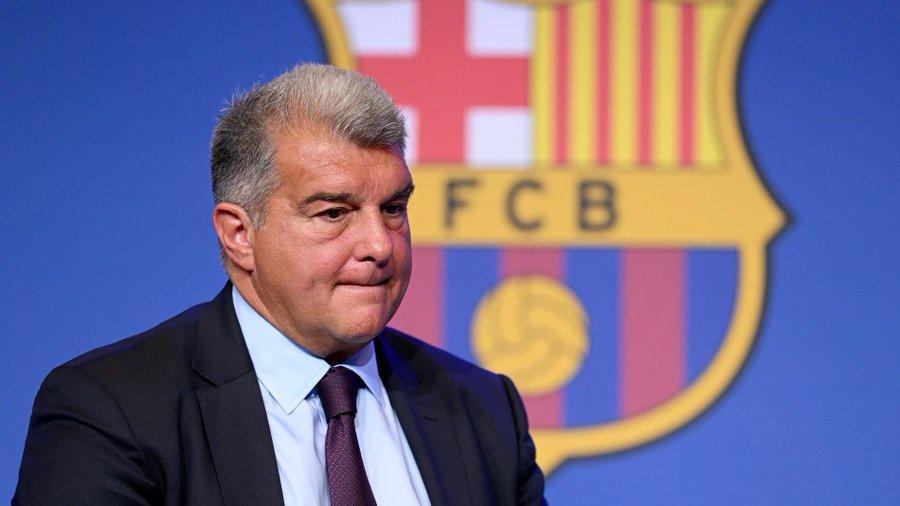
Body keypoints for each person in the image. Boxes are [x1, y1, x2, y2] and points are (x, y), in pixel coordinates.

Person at [14, 64, 545, 505]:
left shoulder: (482, 408)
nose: (380, 245)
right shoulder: (114, 410)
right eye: (334, 212)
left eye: (393, 208)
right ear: (239, 235)